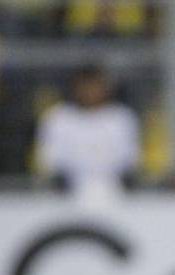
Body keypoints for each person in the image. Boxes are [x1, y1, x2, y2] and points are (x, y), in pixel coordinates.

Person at [36, 64, 140, 207]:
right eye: (85, 87)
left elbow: (128, 161)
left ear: (105, 88)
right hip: (66, 194)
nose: (90, 92)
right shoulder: (58, 117)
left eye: (95, 86)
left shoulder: (121, 117)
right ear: (74, 88)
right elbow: (50, 161)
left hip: (114, 192)